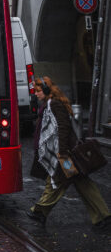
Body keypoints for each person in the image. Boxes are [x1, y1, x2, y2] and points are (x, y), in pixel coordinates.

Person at [28, 76, 110, 228]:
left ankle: (39, 211)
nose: (36, 94)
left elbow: (63, 128)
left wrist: (62, 152)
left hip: (63, 155)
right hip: (61, 153)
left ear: (46, 91)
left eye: (38, 91)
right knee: (80, 181)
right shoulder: (49, 104)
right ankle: (102, 215)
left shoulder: (55, 105)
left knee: (58, 180)